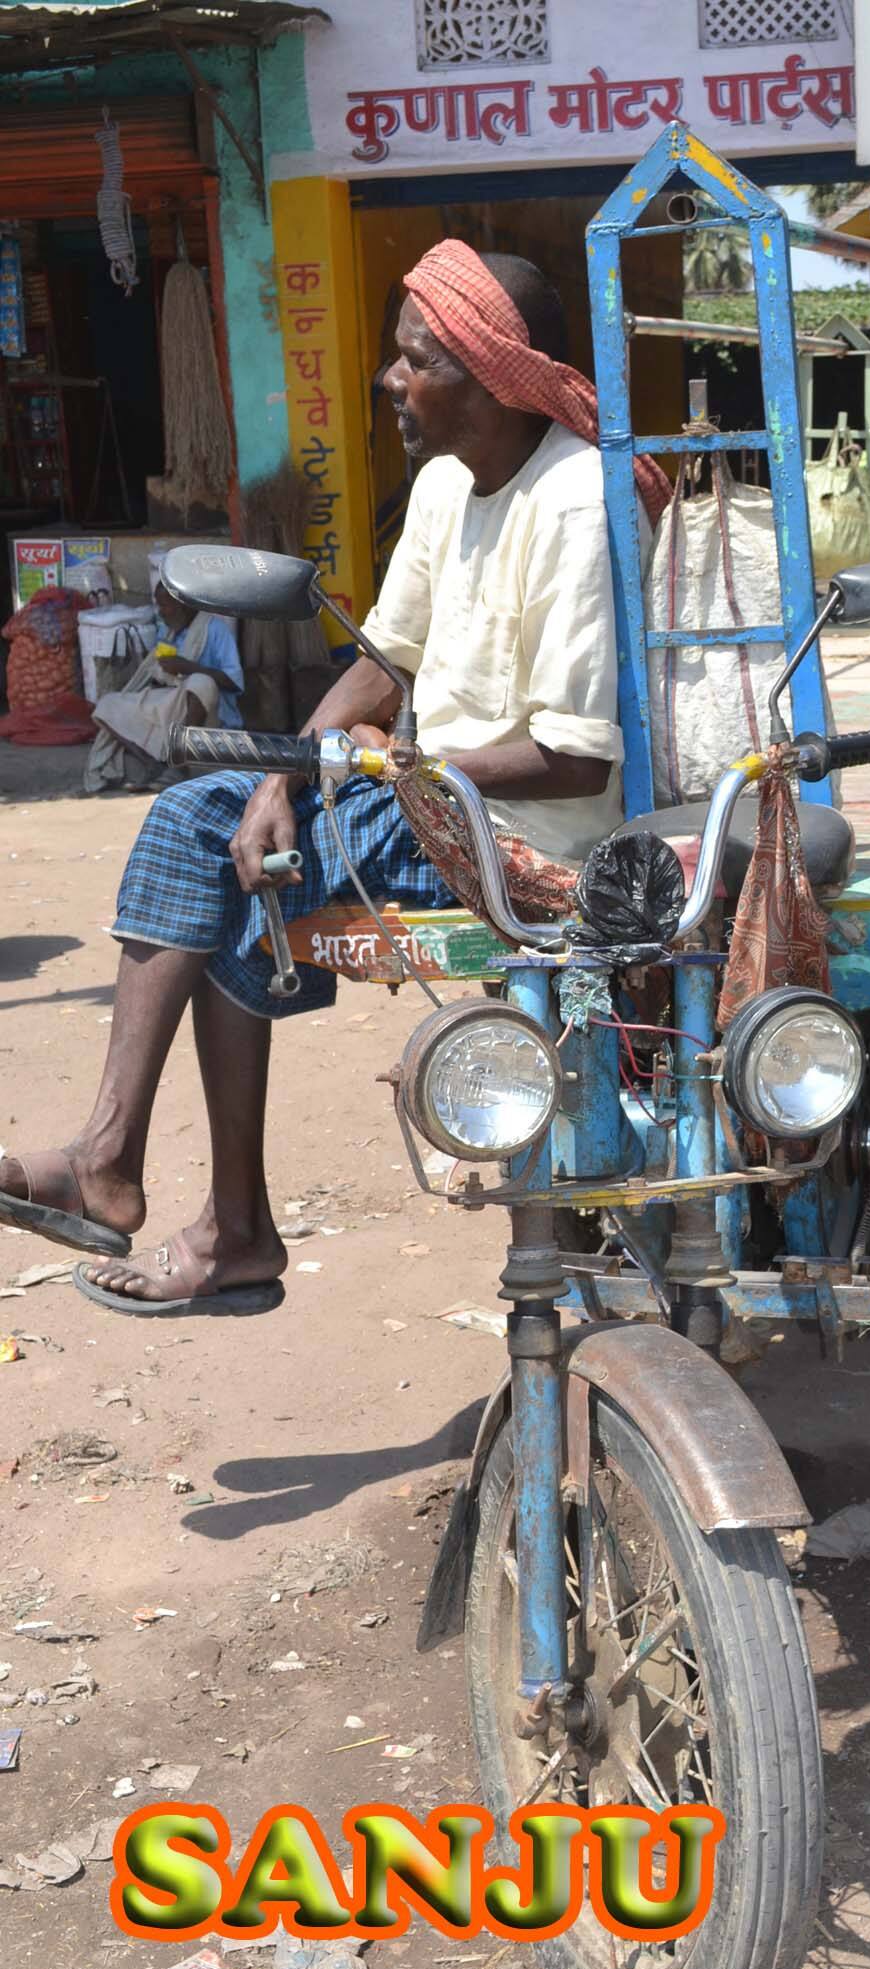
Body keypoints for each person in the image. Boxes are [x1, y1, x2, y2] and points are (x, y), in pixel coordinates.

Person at [0, 243, 670, 1315]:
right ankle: (194, 1206)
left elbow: (576, 754)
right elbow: (383, 659)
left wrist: (386, 769)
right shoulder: (452, 483)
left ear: (492, 378)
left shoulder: (579, 508)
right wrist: (295, 772)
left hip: (515, 832)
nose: (390, 382)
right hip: (426, 799)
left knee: (186, 824)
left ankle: (146, 1180)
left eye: (414, 363)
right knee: (231, 843)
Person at [82, 579, 244, 794]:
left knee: (200, 682)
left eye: (165, 605)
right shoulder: (167, 632)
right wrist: (161, 673)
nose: (161, 612)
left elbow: (234, 683)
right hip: (172, 705)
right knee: (107, 704)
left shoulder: (214, 629)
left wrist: (188, 667)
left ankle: (180, 764)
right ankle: (153, 765)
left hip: (209, 716)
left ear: (184, 605)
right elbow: (158, 678)